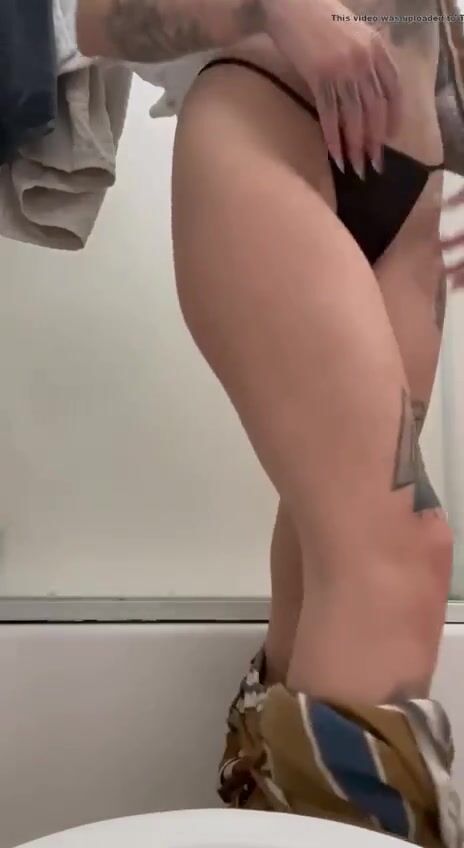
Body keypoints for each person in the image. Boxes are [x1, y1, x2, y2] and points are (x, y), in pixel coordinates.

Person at [77, 1, 463, 845]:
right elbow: (94, 22)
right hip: (269, 127)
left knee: (329, 555)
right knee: (403, 546)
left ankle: (273, 806)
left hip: (420, 193)